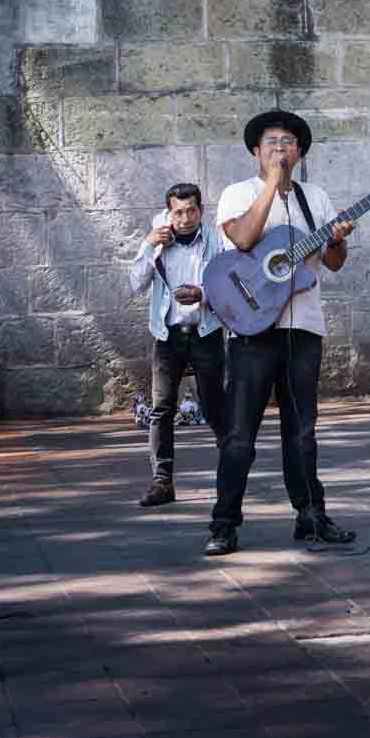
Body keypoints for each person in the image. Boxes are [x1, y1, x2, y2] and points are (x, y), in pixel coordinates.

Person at [206, 112, 356, 556]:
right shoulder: (240, 193)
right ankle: (224, 523)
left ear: (300, 152)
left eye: (288, 142)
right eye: (270, 142)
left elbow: (332, 263)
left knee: (302, 431)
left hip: (304, 329)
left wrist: (336, 239)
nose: (279, 149)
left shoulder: (316, 198)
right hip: (253, 332)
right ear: (256, 151)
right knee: (239, 434)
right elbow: (246, 239)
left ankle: (311, 516)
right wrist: (272, 185)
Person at [128, 182, 226, 508]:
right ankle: (162, 482)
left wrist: (203, 295)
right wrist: (147, 244)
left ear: (201, 211)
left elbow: (231, 286)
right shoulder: (157, 241)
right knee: (162, 408)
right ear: (169, 213)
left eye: (191, 211)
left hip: (205, 330)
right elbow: (135, 284)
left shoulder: (215, 240)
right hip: (168, 335)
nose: (185, 218)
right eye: (178, 212)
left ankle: (231, 474)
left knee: (214, 407)